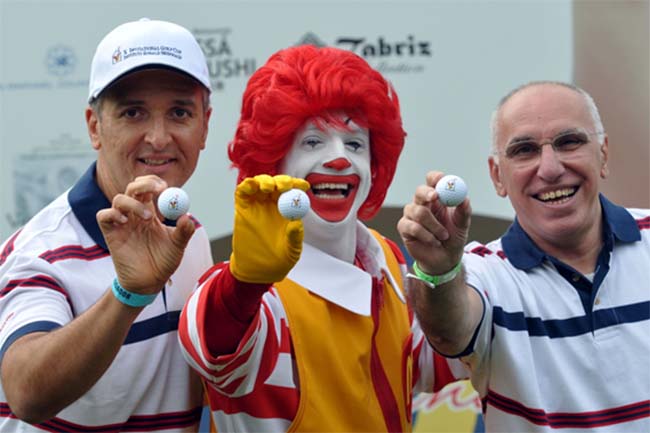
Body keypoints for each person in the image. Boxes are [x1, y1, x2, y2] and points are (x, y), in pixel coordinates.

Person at [178, 45, 461, 432]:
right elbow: (216, 353)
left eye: (356, 143)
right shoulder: (258, 293)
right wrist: (246, 284)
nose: (340, 159)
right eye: (313, 142)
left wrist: (443, 276)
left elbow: (434, 364)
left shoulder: (385, 258)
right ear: (273, 163)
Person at [397, 81, 650, 432]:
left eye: (569, 142)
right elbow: (449, 332)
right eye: (524, 150)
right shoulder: (483, 271)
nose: (549, 168)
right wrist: (439, 270)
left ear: (603, 154)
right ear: (497, 176)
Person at [0, 18, 213, 431]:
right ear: (95, 127)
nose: (158, 137)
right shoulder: (40, 250)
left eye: (179, 112)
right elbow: (26, 392)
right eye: (133, 112)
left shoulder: (193, 236)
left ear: (204, 125)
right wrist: (128, 295)